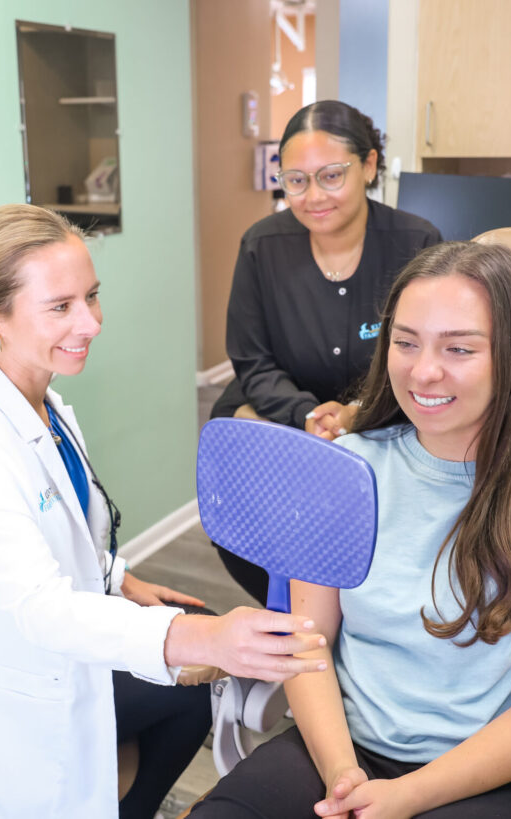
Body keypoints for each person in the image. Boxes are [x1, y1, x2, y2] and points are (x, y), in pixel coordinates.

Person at [190, 242, 511, 818]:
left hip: (499, 774)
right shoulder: (344, 469)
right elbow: (308, 641)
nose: (424, 371)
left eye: (459, 348)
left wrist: (406, 797)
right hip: (347, 751)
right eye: (406, 342)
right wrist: (345, 778)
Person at [0, 204, 328, 819]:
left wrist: (119, 579)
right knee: (197, 647)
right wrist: (210, 638)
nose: (91, 322)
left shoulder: (46, 407)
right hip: (5, 707)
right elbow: (42, 609)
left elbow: (65, 532)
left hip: (64, 650)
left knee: (191, 684)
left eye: (91, 297)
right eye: (61, 306)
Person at [211, 100, 442, 602]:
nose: (313, 196)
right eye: (296, 180)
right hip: (284, 408)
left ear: (369, 166)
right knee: (239, 444)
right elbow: (251, 359)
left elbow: (428, 356)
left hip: (386, 411)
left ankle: (359, 615)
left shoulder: (416, 242)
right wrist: (307, 415)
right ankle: (292, 610)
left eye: (331, 176)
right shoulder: (261, 245)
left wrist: (361, 413)